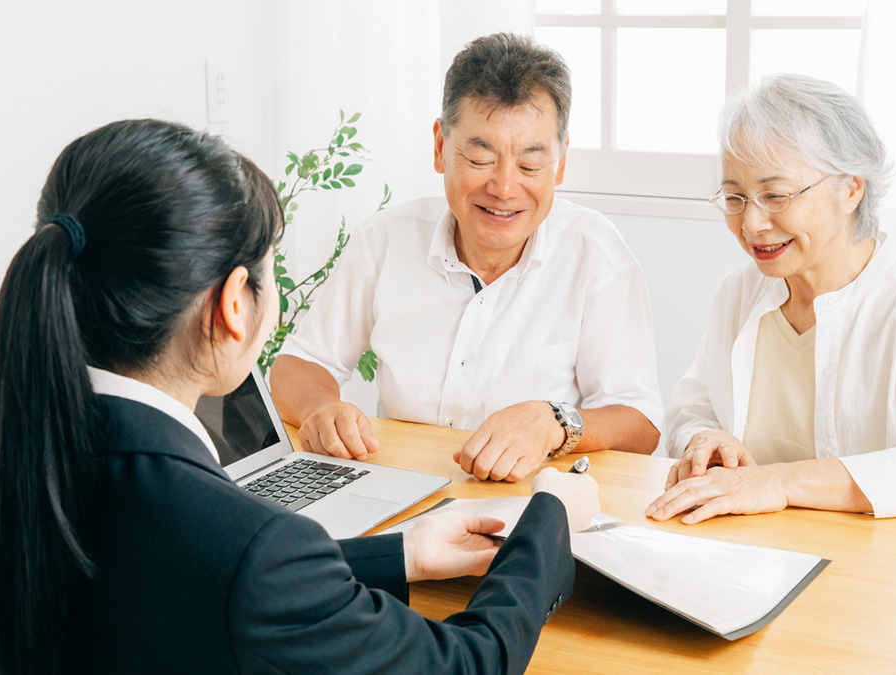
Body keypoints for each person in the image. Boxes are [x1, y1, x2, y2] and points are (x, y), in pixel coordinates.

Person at [0, 119, 600, 674]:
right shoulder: (253, 544)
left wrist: (401, 552)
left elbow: (176, 577)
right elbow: (465, 662)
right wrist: (548, 522)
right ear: (231, 305)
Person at [644, 74, 896, 673]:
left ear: (850, 188)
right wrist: (703, 439)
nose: (752, 223)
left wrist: (781, 482)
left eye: (776, 194)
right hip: (754, 590)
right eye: (734, 197)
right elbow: (693, 405)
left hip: (893, 608)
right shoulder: (739, 295)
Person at [271, 33, 662, 482]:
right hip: (399, 496)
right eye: (480, 158)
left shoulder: (596, 256)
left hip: (529, 513)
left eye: (531, 165)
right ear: (440, 147)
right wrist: (323, 408)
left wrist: (554, 422)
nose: (504, 188)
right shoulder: (384, 240)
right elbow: (299, 365)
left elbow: (641, 423)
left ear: (560, 162)